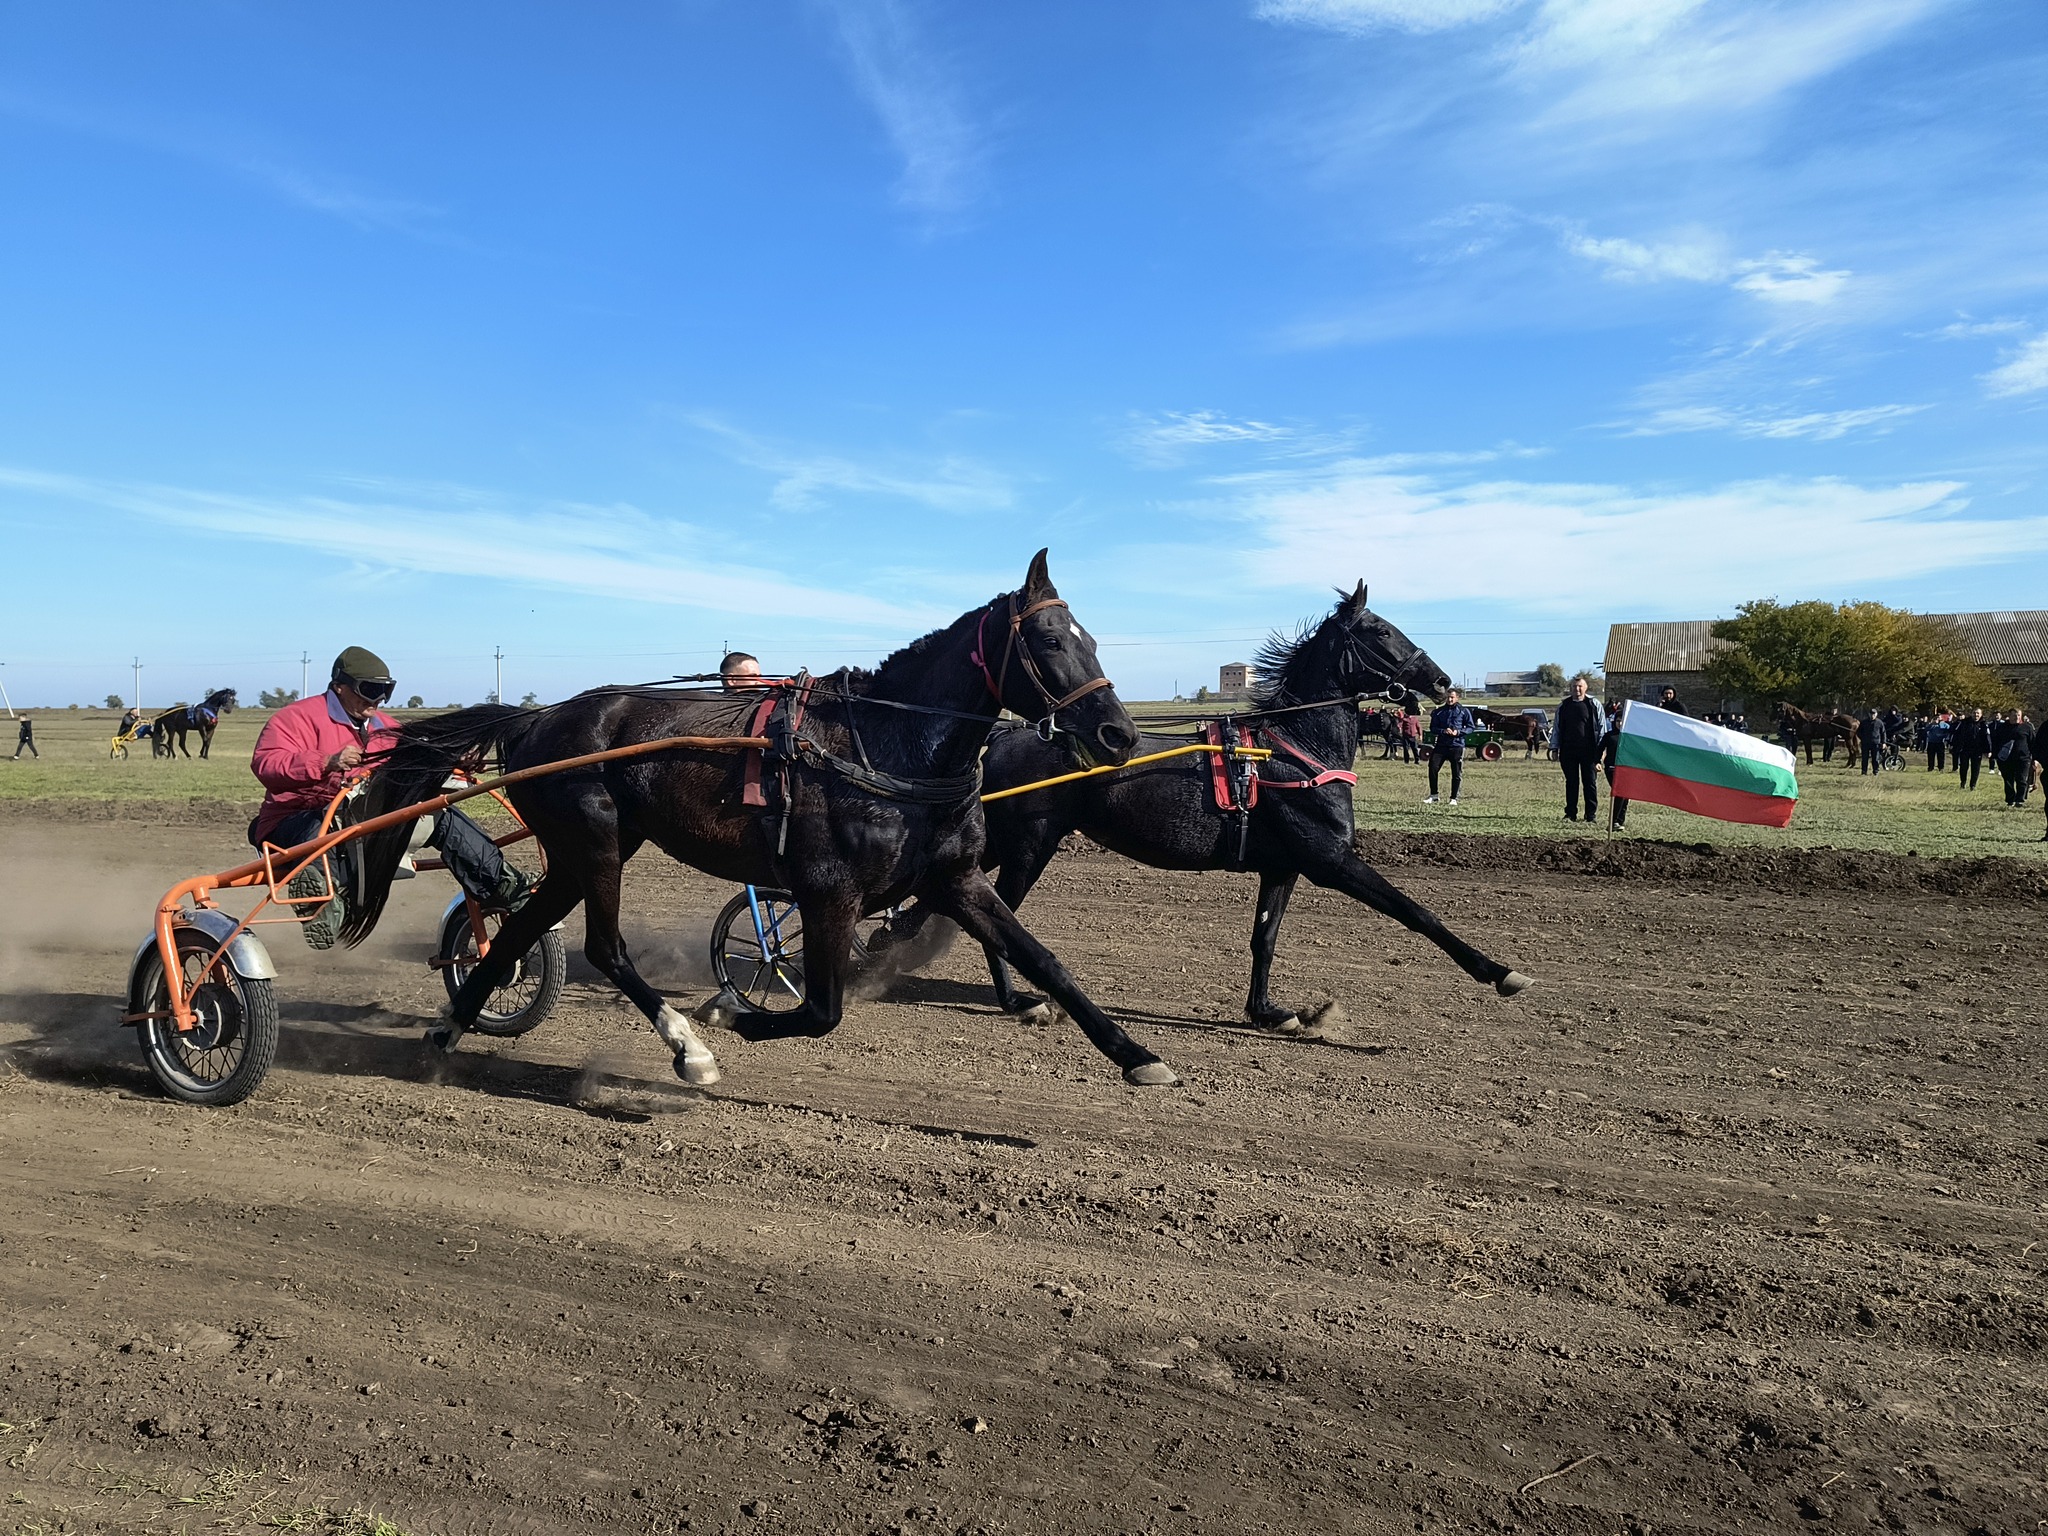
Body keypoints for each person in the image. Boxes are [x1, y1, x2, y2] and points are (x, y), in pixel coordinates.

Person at [249, 647, 529, 948]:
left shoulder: (386, 727)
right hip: (296, 818)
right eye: (370, 690)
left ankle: (503, 884)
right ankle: (323, 907)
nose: (378, 699)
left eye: (386, 690)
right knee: (319, 828)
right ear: (340, 686)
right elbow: (265, 764)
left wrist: (460, 763)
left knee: (440, 814)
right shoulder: (295, 719)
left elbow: (419, 761)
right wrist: (325, 761)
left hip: (362, 818)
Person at [1554, 675, 1605, 824]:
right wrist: (1554, 747)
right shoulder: (1564, 706)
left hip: (1589, 751)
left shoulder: (1593, 704)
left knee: (1590, 783)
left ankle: (1591, 815)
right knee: (1571, 782)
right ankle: (1570, 814)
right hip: (1568, 751)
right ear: (1570, 689)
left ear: (1585, 687)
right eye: (1574, 687)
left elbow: (1602, 728)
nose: (1577, 689)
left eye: (1580, 686)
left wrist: (1601, 752)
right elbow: (1557, 728)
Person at [1423, 688, 1476, 806]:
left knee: (1456, 772)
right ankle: (1434, 795)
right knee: (1432, 768)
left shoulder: (1464, 711)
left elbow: (1471, 727)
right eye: (1448, 697)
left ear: (1457, 698)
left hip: (1456, 745)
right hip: (1441, 745)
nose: (1450, 699)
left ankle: (1454, 798)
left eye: (1452, 697)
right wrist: (1443, 731)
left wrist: (1458, 732)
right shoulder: (1439, 712)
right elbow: (1433, 728)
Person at [1955, 707, 1989, 790]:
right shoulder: (1964, 723)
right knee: (1963, 767)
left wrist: (1988, 750)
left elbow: (1987, 738)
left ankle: (1972, 785)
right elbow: (1957, 735)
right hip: (1965, 749)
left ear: (1981, 715)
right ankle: (1963, 782)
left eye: (1978, 713)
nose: (1976, 715)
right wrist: (1955, 746)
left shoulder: (1984, 724)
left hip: (1977, 750)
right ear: (1971, 713)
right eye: (1974, 713)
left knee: (1975, 768)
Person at [1858, 709, 1884, 776]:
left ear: (1876, 714)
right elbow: (1858, 732)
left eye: (1874, 714)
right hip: (1865, 743)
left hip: (1875, 743)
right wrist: (1863, 738)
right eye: (1871, 714)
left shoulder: (1880, 722)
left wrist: (1883, 742)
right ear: (1869, 714)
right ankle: (1864, 771)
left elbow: (1883, 733)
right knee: (1864, 758)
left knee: (1875, 758)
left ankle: (1875, 771)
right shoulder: (1864, 722)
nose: (1872, 715)